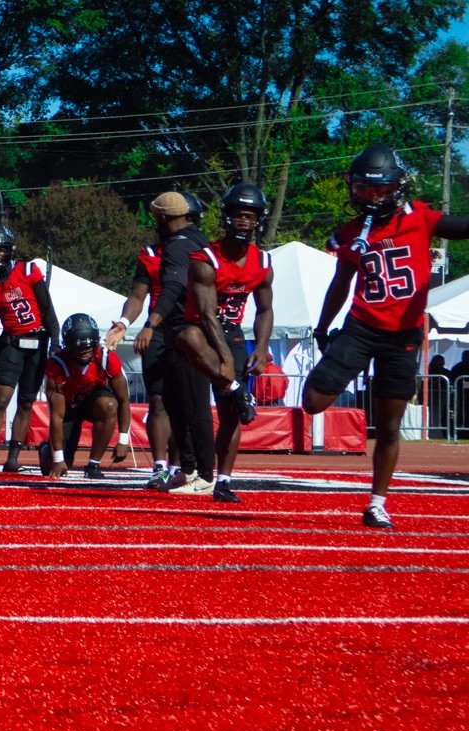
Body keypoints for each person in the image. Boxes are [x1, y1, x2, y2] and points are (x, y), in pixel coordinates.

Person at [305, 145, 469, 529]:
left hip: (404, 335)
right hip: (361, 327)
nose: (371, 197)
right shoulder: (349, 233)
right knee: (313, 400)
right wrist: (323, 326)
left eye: (379, 189)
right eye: (363, 189)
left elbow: (462, 226)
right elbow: (339, 284)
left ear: (397, 187)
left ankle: (377, 503)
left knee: (390, 424)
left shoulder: (421, 217)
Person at [134, 191, 231, 497]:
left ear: (164, 217)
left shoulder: (177, 246)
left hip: (189, 330)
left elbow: (174, 286)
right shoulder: (200, 241)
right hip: (193, 329)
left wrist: (152, 323)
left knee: (195, 405)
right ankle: (188, 469)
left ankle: (203, 473)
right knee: (177, 403)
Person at [200, 184, 276, 503]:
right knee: (185, 406)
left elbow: (265, 309)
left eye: (250, 216)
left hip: (231, 333)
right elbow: (204, 312)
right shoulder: (206, 257)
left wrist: (260, 346)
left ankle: (224, 480)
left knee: (231, 414)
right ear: (226, 217)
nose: (244, 221)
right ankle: (174, 468)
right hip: (198, 330)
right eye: (238, 215)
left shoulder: (263, 261)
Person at [0, 224, 59, 474]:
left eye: (1, 248)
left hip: (37, 343)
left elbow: (46, 307)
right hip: (11, 345)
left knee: (26, 402)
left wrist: (55, 339)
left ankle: (13, 458)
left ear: (9, 250)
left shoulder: (28, 270)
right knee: (1, 399)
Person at [105, 238, 190, 488]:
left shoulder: (200, 250)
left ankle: (181, 466)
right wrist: (124, 321)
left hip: (189, 327)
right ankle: (160, 466)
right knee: (158, 398)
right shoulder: (151, 254)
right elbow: (137, 295)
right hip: (157, 331)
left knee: (184, 401)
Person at [41, 313, 132, 480]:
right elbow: (57, 416)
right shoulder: (57, 365)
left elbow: (123, 400)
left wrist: (123, 439)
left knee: (109, 405)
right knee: (54, 467)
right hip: (68, 408)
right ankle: (46, 449)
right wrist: (58, 459)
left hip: (93, 402)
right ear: (67, 345)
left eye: (89, 347)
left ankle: (93, 464)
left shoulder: (106, 358)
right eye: (79, 347)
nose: (85, 352)